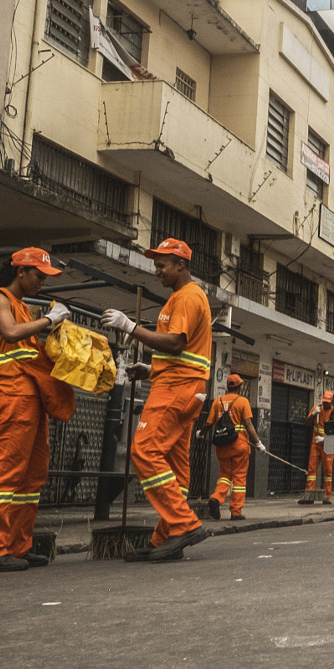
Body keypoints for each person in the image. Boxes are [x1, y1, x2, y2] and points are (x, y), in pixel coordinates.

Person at [102, 238, 214, 563]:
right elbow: (186, 352)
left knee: (144, 450)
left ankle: (184, 524)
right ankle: (167, 538)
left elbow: (176, 344)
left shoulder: (187, 298)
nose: (157, 271)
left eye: (162, 264)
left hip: (176, 390)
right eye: (156, 264)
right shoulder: (185, 298)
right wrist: (151, 369)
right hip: (183, 385)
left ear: (181, 265)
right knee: (176, 471)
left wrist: (130, 326)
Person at [0, 249, 71, 573]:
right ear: (20, 272)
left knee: (32, 474)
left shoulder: (24, 307)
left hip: (31, 393)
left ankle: (18, 546)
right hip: (13, 393)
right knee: (5, 471)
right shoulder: (0, 298)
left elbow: (27, 346)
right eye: (39, 275)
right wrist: (49, 320)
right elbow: (10, 333)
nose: (43, 281)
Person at [206, 374, 257, 519]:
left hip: (222, 446)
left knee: (224, 476)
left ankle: (216, 498)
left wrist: (200, 432)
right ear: (240, 387)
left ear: (228, 386)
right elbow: (248, 424)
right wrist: (258, 442)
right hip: (239, 445)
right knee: (239, 479)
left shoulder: (217, 402)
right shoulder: (243, 402)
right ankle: (236, 512)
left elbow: (209, 423)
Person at [303, 391, 334, 504]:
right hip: (315, 443)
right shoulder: (317, 409)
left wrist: (325, 439)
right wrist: (313, 414)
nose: (325, 404)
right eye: (324, 402)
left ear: (332, 401)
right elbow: (307, 423)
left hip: (328, 445)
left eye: (327, 402)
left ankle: (327, 496)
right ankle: (309, 495)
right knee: (311, 469)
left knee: (328, 471)